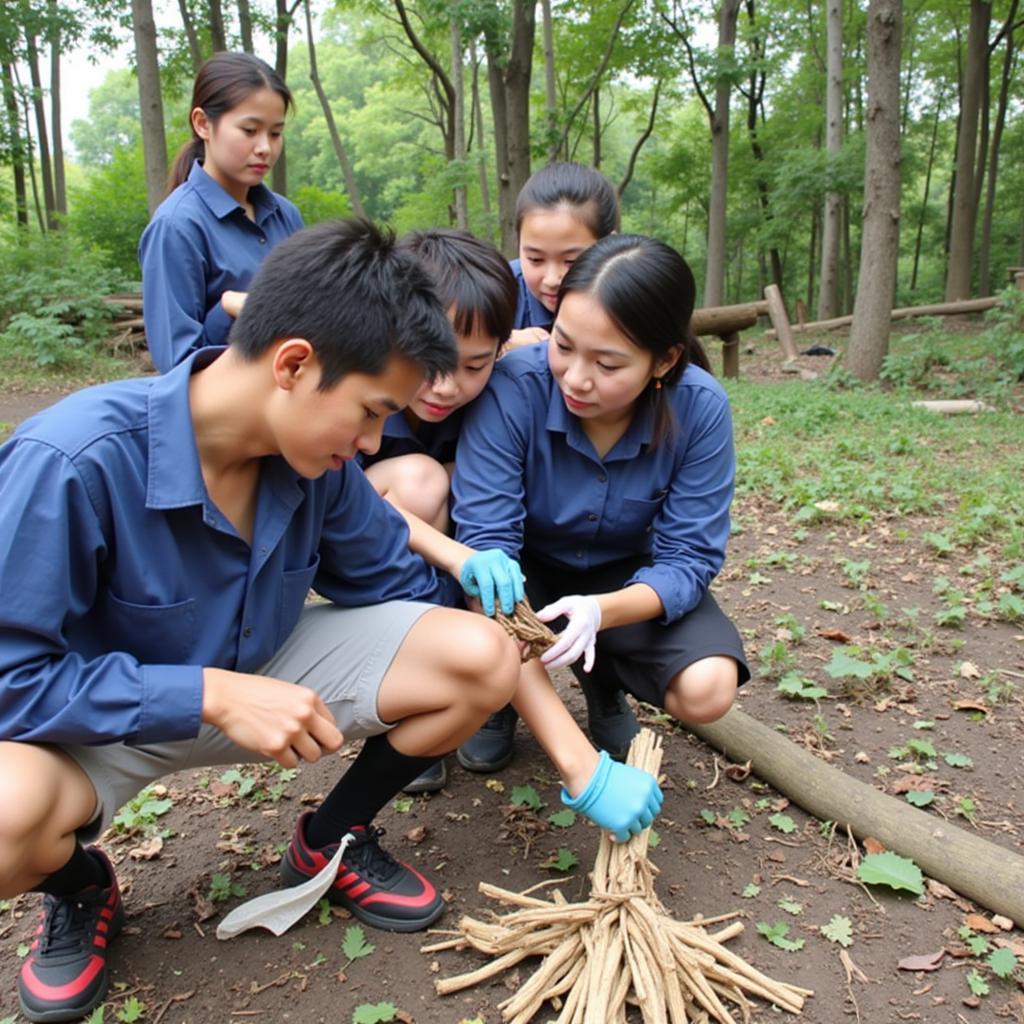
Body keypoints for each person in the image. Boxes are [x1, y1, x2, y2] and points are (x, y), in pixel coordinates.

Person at [0, 219, 532, 1024]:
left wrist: (524, 648)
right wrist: (207, 694)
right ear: (293, 364)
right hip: (99, 722)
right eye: (369, 412)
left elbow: (402, 591)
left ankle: (333, 836)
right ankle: (78, 885)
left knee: (475, 655)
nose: (371, 441)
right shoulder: (72, 462)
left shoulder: (317, 462)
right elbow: (11, 683)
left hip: (265, 669)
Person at [451, 234, 751, 779]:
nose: (575, 377)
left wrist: (600, 612)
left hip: (624, 578)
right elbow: (487, 539)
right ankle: (499, 697)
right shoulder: (512, 390)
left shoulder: (700, 409)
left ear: (664, 361)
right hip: (524, 575)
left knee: (708, 688)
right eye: (563, 346)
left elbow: (690, 558)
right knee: (487, 602)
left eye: (608, 364)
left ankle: (603, 681)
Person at [360, 228, 517, 793]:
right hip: (374, 550)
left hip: (467, 559)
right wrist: (453, 554)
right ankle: (408, 695)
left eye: (475, 366)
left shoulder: (507, 394)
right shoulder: (360, 391)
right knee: (426, 481)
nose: (447, 386)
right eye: (434, 360)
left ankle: (489, 693)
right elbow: (343, 504)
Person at [138, 52, 303, 373]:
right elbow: (178, 365)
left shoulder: (286, 216)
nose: (265, 148)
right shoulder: (176, 226)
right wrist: (228, 308)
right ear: (203, 124)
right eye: (249, 130)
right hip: (223, 418)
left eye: (275, 133)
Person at [507, 161, 619, 351]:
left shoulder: (634, 298)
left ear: (610, 246)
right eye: (535, 259)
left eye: (571, 261)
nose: (552, 280)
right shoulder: (497, 292)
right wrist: (499, 343)